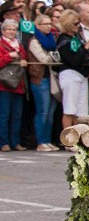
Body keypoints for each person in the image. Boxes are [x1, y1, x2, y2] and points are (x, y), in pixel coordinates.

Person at [55, 10, 89, 132]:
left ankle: (80, 137)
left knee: (81, 110)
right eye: (75, 24)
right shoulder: (63, 40)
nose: (78, 26)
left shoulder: (76, 38)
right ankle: (68, 138)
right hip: (70, 74)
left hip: (82, 75)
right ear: (68, 24)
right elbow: (74, 60)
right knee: (69, 108)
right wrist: (86, 47)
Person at [27, 13, 59, 151]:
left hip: (51, 78)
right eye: (45, 24)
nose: (48, 26)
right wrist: (53, 58)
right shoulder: (34, 41)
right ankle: (40, 141)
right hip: (40, 79)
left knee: (51, 112)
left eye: (49, 23)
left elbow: (55, 58)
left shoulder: (51, 39)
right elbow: (45, 59)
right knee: (43, 112)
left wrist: (53, 58)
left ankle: (47, 140)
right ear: (38, 25)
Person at [0, 19, 28, 152]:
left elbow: (24, 57)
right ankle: (3, 142)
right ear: (3, 31)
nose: (11, 32)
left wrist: (23, 60)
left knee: (17, 115)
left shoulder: (19, 45)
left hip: (18, 83)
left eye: (13, 29)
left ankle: (15, 141)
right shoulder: (1, 44)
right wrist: (8, 56)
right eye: (8, 29)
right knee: (4, 115)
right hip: (4, 84)